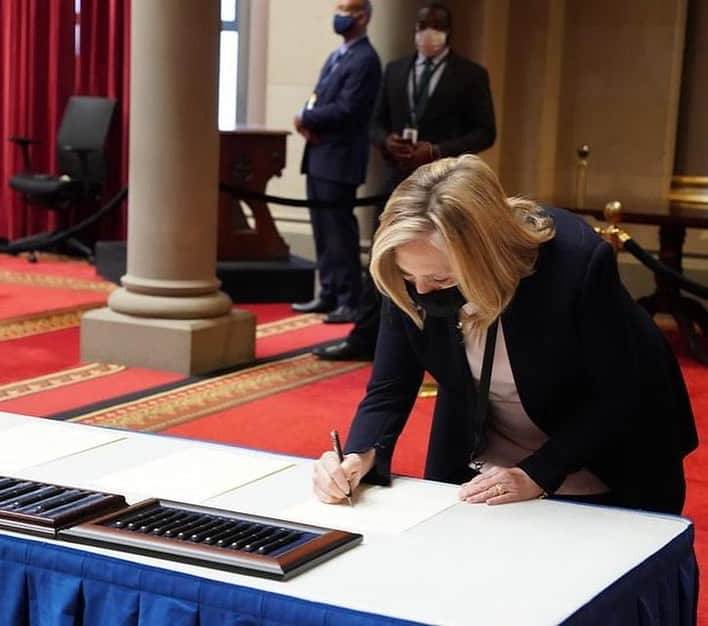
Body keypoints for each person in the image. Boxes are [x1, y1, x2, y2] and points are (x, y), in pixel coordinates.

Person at [312, 155, 698, 514]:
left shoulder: (574, 263)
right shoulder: (407, 266)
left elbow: (618, 393)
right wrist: (359, 455)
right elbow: (391, 385)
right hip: (485, 437)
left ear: (486, 256)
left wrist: (538, 473)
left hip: (606, 445)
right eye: (411, 278)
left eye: (441, 278)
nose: (422, 292)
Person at [313, 1, 495, 356]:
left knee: (442, 265)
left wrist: (437, 149)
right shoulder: (395, 70)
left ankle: (447, 347)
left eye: (436, 26)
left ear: (447, 31)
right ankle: (365, 338)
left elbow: (485, 132)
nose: (428, 32)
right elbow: (374, 122)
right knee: (383, 257)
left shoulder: (469, 74)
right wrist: (386, 141)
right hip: (399, 181)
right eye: (422, 25)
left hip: (447, 187)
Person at [291, 0, 382, 324]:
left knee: (338, 232)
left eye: (345, 9)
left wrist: (306, 117)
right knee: (321, 229)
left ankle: (348, 299)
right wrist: (307, 118)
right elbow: (318, 96)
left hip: (340, 158)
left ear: (362, 16)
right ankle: (327, 292)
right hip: (318, 154)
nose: (338, 15)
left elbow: (348, 109)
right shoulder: (337, 55)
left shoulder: (366, 59)